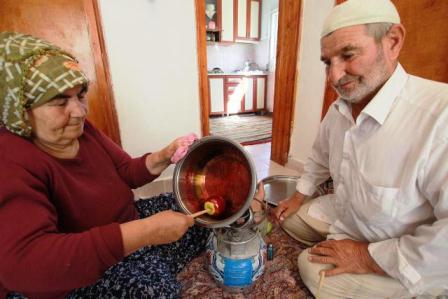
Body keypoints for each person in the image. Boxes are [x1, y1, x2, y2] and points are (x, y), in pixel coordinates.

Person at [0, 32, 210, 298]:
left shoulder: (82, 129)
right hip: (79, 273)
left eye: (80, 96)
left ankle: (155, 256)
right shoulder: (10, 157)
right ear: (20, 111)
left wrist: (165, 155)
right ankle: (153, 259)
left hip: (126, 223)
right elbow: (23, 264)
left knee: (198, 210)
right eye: (60, 101)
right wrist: (146, 232)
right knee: (159, 291)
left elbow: (125, 172)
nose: (79, 111)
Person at [273, 0, 448, 298]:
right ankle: (338, 245)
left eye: (348, 55)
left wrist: (365, 257)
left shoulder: (439, 117)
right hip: (350, 218)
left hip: (407, 248)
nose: (334, 76)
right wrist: (300, 195)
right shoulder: (339, 110)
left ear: (392, 42)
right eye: (328, 62)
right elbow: (319, 156)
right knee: (286, 218)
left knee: (310, 267)